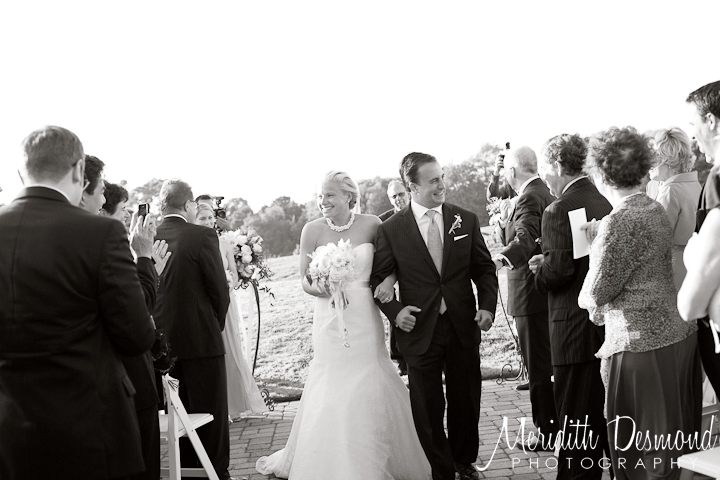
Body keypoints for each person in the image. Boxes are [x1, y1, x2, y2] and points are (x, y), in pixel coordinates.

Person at [0, 126, 155, 480]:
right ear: (78, 170)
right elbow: (137, 337)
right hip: (91, 428)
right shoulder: (100, 233)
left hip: (11, 434)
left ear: (21, 173)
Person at [256, 171, 431, 479]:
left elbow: (392, 264)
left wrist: (388, 281)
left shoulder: (372, 224)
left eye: (330, 195)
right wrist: (322, 287)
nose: (323, 201)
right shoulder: (311, 230)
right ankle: (329, 458)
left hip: (363, 315)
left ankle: (377, 454)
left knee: (369, 377)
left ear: (349, 196)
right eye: (320, 195)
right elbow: (304, 279)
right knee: (331, 380)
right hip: (328, 317)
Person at [578, 126, 700, 479]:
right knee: (674, 443)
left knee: (643, 454)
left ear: (601, 175)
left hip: (640, 346)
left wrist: (594, 254)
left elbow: (595, 293)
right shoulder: (653, 207)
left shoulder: (618, 221)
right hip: (677, 332)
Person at [371, 153, 498, 480]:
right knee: (427, 407)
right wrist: (396, 312)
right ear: (412, 187)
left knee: (465, 400)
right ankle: (440, 470)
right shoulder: (391, 229)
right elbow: (379, 279)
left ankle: (463, 462)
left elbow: (484, 269)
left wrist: (487, 306)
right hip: (418, 328)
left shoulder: (465, 220)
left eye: (442, 177)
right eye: (433, 180)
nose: (441, 185)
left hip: (461, 325)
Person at [529, 133, 612, 479]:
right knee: (599, 422)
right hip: (601, 327)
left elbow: (560, 272)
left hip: (572, 332)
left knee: (577, 429)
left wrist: (540, 270)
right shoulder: (602, 201)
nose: (545, 177)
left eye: (545, 168)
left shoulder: (558, 209)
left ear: (558, 165)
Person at [153, 179, 232, 480]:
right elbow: (219, 290)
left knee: (179, 417)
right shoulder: (202, 235)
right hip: (201, 341)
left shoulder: (147, 238)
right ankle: (216, 474)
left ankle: (186, 473)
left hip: (161, 347)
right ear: (188, 205)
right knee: (211, 414)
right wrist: (215, 325)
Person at [492, 146, 557, 449]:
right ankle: (558, 426)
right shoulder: (544, 191)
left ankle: (547, 432)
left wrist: (499, 260)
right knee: (547, 363)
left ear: (512, 171)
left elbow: (525, 237)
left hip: (529, 292)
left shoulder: (529, 197)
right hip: (543, 291)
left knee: (538, 367)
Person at [194, 202, 267, 418]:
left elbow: (233, 273)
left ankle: (234, 404)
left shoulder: (224, 243)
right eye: (202, 218)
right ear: (194, 220)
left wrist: (228, 284)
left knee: (230, 351)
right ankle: (216, 406)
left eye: (210, 217)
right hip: (204, 305)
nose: (208, 222)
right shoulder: (193, 243)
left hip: (225, 303)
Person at [679, 80, 720, 395]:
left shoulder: (717, 180)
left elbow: (690, 305)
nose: (693, 135)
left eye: (694, 124)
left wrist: (694, 252)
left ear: (711, 121)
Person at [648, 128, 702, 290]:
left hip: (672, 274)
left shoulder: (670, 191)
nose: (648, 163)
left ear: (668, 158)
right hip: (692, 269)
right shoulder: (695, 185)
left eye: (653, 157)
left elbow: (654, 240)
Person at [378, 179, 410, 376]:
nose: (398, 199)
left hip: (412, 271)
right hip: (390, 270)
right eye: (394, 196)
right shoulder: (382, 221)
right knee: (394, 310)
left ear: (408, 192)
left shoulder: (418, 213)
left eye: (401, 194)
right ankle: (399, 358)